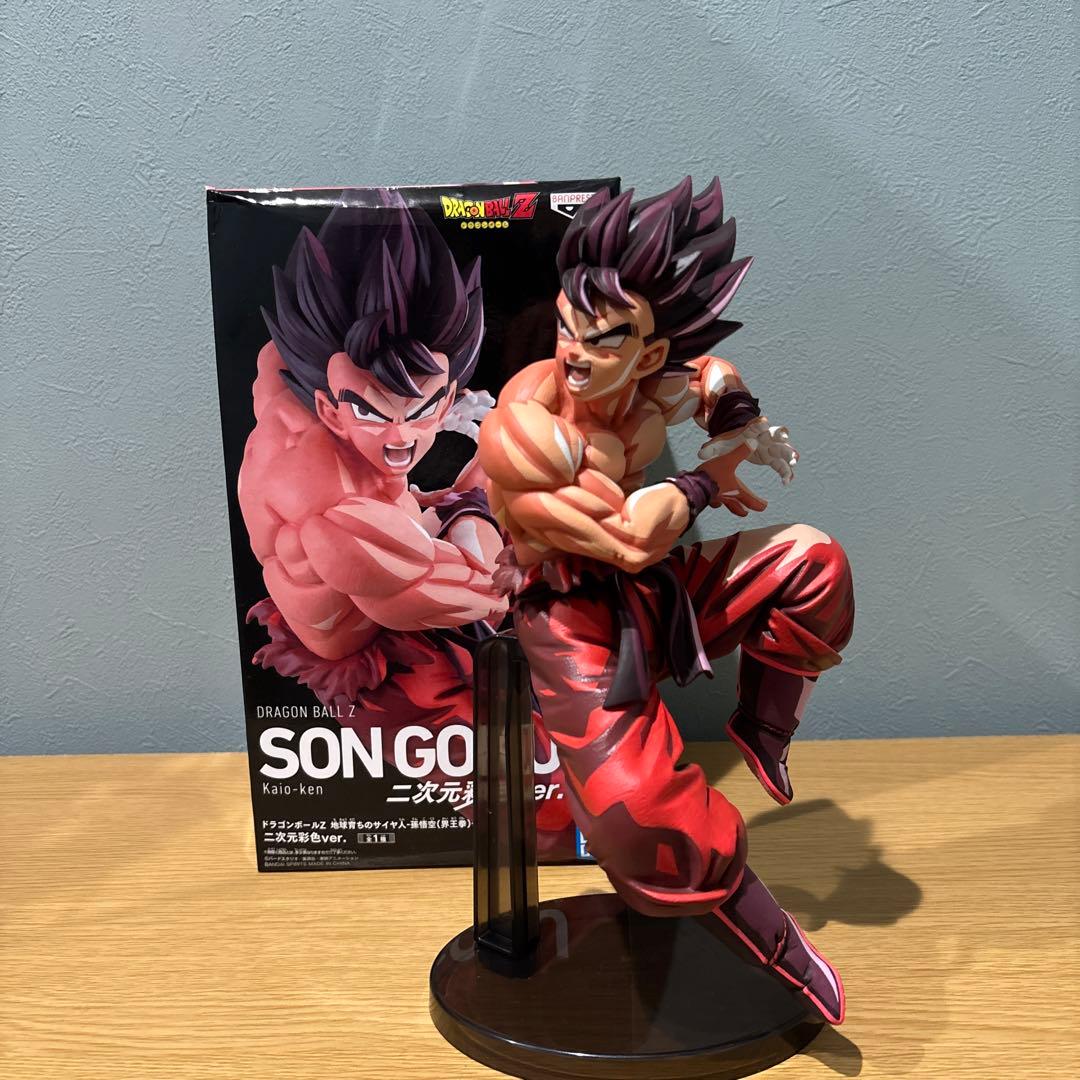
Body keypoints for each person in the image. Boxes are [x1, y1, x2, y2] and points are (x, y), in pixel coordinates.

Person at [479, 178, 855, 1023]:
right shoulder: (526, 429)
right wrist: (713, 476)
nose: (575, 355)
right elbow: (628, 538)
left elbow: (713, 375)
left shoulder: (653, 388)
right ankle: (788, 958)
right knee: (643, 818)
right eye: (568, 328)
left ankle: (761, 731)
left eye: (602, 339)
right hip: (570, 621)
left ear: (648, 355)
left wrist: (739, 416)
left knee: (814, 563)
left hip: (651, 596)